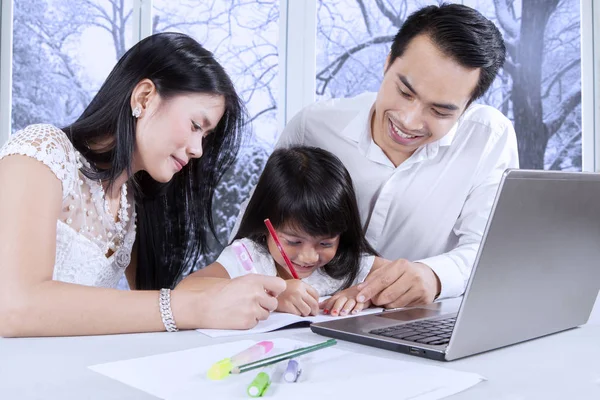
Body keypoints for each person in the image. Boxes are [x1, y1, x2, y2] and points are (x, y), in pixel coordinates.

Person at [0, 32, 286, 337]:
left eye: (204, 136)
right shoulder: (42, 154)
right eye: (194, 126)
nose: (198, 149)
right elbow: (15, 306)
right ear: (144, 97)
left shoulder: (133, 205)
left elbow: (148, 311)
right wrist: (189, 306)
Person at [238, 4, 519, 309]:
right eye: (404, 92)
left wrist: (434, 277)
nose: (409, 121)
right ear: (387, 64)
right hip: (306, 318)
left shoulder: (488, 137)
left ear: (466, 108)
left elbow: (491, 250)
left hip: (414, 321)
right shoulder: (314, 126)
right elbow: (254, 231)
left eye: (439, 111)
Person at [178, 146, 384, 317]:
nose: (308, 257)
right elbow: (185, 291)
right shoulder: (249, 259)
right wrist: (274, 296)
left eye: (326, 243)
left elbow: (403, 278)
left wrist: (363, 294)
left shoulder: (347, 261)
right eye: (294, 241)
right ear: (267, 225)